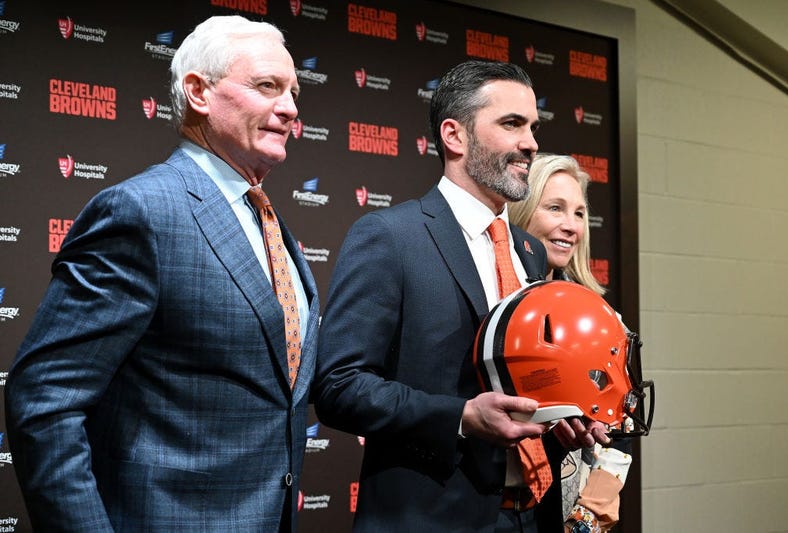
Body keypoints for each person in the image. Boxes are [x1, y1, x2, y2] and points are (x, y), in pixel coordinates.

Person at [4, 15, 318, 532]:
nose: (289, 109)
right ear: (198, 92)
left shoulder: (265, 219)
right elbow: (44, 401)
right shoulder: (141, 212)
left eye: (293, 92)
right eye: (267, 86)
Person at [313, 60, 609, 533]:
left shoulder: (530, 251)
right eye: (511, 124)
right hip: (430, 519)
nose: (530, 143)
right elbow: (338, 386)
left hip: (534, 516)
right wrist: (463, 417)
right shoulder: (391, 236)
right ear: (455, 136)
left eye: (533, 127)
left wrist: (563, 417)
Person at [508, 154, 634, 533]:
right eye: (555, 208)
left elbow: (619, 430)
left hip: (560, 515)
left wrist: (590, 517)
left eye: (579, 213)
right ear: (521, 211)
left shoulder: (599, 319)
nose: (571, 225)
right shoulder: (492, 310)